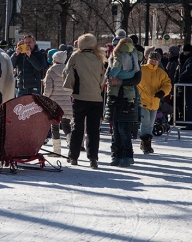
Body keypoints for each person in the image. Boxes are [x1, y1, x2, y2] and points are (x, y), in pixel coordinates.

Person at [62, 33, 106, 169]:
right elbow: (102, 78)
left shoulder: (75, 57)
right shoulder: (99, 58)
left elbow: (66, 72)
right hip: (96, 98)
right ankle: (93, 158)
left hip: (80, 97)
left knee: (77, 128)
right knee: (93, 130)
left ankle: (73, 156)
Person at [137, 52, 171, 154]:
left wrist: (163, 92)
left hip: (155, 101)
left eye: (156, 61)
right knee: (146, 122)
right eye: (152, 60)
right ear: (148, 59)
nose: (153, 62)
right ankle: (145, 144)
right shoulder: (141, 69)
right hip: (143, 100)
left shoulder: (161, 73)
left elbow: (167, 84)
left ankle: (147, 142)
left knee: (151, 124)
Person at [43, 50, 72, 155]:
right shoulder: (69, 71)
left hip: (55, 103)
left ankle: (57, 150)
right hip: (67, 102)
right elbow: (71, 87)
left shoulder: (50, 71)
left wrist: (44, 98)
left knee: (55, 126)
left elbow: (48, 89)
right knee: (66, 125)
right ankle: (71, 147)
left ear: (54, 60)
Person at [106, 37, 140, 113]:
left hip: (119, 75)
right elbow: (140, 56)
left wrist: (111, 75)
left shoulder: (119, 56)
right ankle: (130, 102)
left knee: (114, 86)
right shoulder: (134, 54)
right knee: (129, 89)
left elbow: (116, 67)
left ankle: (112, 97)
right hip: (131, 75)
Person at [177, 43, 192, 130]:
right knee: (189, 104)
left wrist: (180, 77)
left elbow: (189, 71)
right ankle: (190, 123)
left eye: (184, 51)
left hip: (189, 84)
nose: (184, 54)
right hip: (191, 84)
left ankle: (190, 123)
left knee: (189, 104)